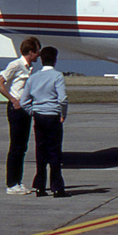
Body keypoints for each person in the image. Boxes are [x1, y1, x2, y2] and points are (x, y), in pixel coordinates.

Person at [20, 46, 69, 198]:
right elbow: (62, 98)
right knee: (55, 152)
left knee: (40, 151)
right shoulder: (57, 76)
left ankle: (40, 186)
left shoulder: (33, 77)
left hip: (39, 116)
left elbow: (24, 101)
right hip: (53, 116)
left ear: (41, 59)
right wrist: (63, 114)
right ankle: (57, 187)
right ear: (55, 59)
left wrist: (32, 111)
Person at [0, 36, 41, 195]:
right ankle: (11, 184)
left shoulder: (29, 67)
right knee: (15, 146)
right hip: (16, 109)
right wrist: (13, 99)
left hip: (26, 109)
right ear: (31, 52)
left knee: (22, 146)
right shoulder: (16, 65)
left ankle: (18, 182)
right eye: (37, 52)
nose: (39, 55)